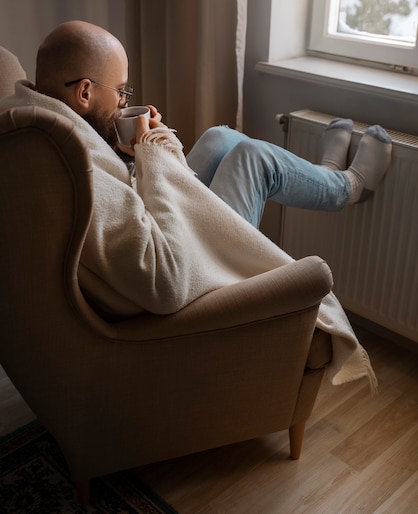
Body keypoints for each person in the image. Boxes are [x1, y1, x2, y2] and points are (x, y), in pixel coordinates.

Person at [0, 20, 389, 387]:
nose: (123, 102)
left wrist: (134, 153)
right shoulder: (69, 163)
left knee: (221, 138)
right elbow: (163, 280)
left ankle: (328, 172)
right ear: (84, 93)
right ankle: (347, 186)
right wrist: (151, 151)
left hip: (158, 234)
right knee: (254, 158)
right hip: (179, 275)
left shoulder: (32, 122)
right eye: (121, 91)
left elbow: (117, 204)